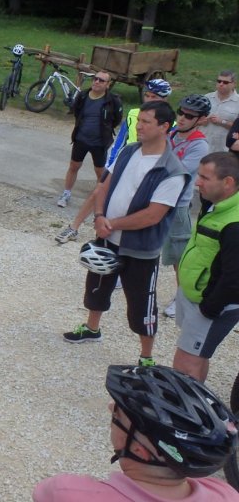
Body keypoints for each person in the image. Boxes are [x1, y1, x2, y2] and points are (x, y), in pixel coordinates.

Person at [63, 101, 187, 367]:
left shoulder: (173, 170)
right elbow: (104, 186)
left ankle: (146, 358)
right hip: (107, 235)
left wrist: (113, 223)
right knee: (97, 286)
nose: (138, 126)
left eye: (146, 122)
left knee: (142, 302)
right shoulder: (129, 151)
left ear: (165, 127)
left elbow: (154, 215)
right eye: (138, 120)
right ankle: (92, 328)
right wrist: (98, 217)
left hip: (140, 248)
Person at [33, 364, 239, 501]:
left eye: (118, 415)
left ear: (140, 451)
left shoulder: (68, 492)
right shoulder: (225, 494)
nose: (110, 406)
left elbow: (41, 493)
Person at [55, 79, 171, 244]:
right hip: (126, 158)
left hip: (148, 164)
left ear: (164, 99)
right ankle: (74, 227)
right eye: (147, 95)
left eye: (154, 97)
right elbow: (121, 139)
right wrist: (112, 160)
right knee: (99, 191)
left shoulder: (169, 122)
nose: (149, 99)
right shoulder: (134, 113)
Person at [172, 152, 239, 382]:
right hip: (196, 296)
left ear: (228, 182)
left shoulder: (235, 224)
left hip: (209, 305)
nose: (197, 182)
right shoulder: (214, 202)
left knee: (184, 365)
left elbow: (234, 279)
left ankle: (185, 416)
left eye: (204, 177)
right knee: (197, 358)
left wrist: (209, 309)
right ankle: (197, 408)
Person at [159, 95, 211, 319]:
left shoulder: (200, 145)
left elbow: (176, 170)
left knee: (180, 255)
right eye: (180, 112)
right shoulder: (171, 134)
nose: (181, 118)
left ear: (200, 120)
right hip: (157, 198)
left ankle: (180, 296)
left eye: (189, 115)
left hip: (177, 204)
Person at [56, 71, 123, 208]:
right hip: (81, 139)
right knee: (74, 166)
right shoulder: (83, 96)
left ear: (108, 85)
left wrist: (105, 130)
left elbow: (116, 119)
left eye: (101, 80)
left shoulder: (113, 101)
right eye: (95, 79)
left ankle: (101, 197)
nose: (97, 82)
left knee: (100, 172)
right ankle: (66, 193)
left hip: (99, 143)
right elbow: (77, 112)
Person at [203, 70, 239, 153]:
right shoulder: (207, 98)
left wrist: (222, 121)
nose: (221, 84)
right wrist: (201, 121)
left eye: (225, 82)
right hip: (203, 145)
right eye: (219, 81)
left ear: (234, 84)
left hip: (223, 150)